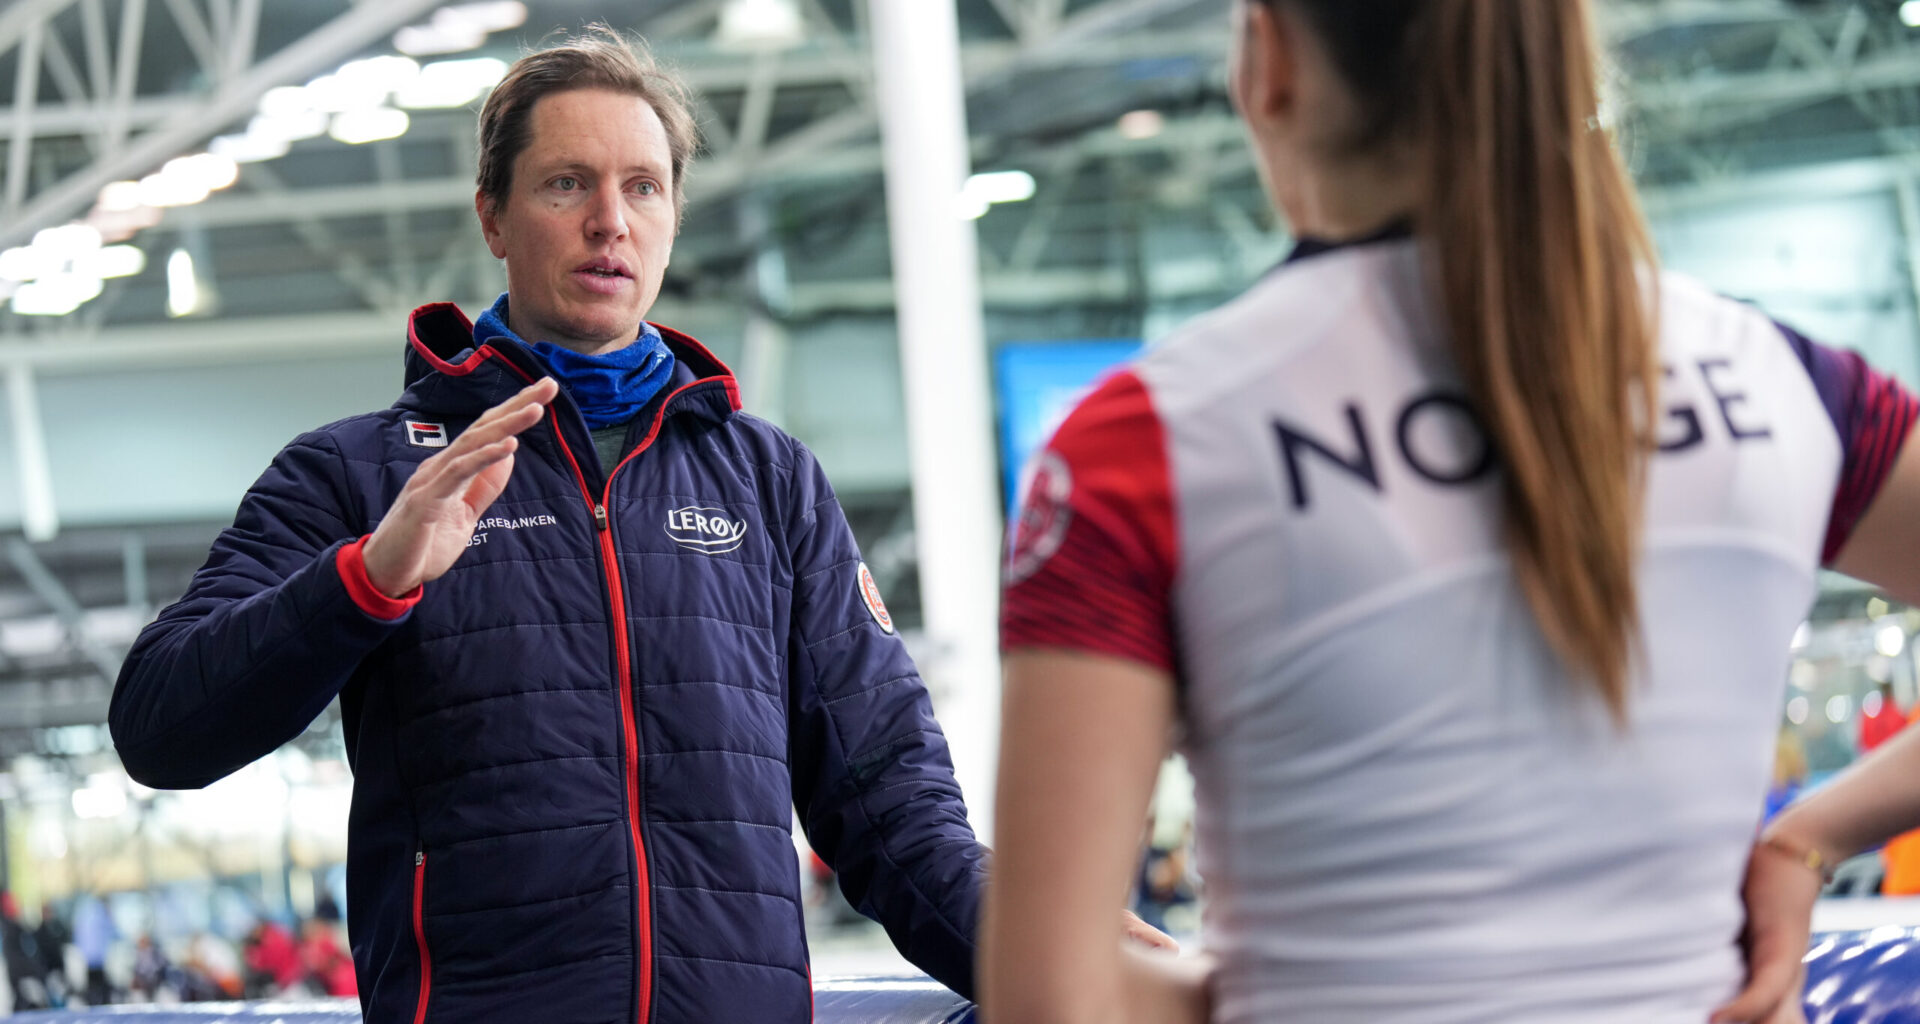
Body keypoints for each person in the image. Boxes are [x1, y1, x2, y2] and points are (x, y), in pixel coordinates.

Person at [978, 1, 1920, 1022]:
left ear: (1272, 62)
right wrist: (1808, 837)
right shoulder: (1785, 387)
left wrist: (1287, 986)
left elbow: (1049, 993)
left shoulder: (1151, 444)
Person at [109, 29, 1000, 1024]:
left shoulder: (771, 480)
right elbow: (158, 725)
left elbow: (892, 806)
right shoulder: (360, 473)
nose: (609, 222)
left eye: (644, 187)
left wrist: (1056, 949)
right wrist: (367, 578)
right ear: (493, 214)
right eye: (567, 184)